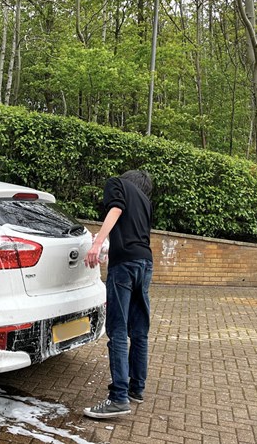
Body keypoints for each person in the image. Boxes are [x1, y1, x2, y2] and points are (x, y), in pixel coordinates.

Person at [83, 170, 154, 419]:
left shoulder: (117, 184)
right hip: (145, 263)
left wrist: (96, 243)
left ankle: (118, 398)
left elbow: (115, 210)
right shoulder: (146, 200)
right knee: (139, 331)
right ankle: (136, 389)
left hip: (123, 266)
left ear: (127, 179)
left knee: (118, 330)